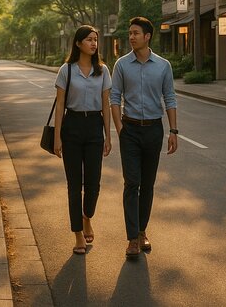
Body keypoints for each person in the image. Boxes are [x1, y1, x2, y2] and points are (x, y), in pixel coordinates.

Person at [109, 16, 178, 259]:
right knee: (132, 183)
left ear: (147, 36)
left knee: (147, 184)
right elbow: (114, 97)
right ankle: (131, 239)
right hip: (129, 130)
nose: (131, 37)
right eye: (130, 33)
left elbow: (169, 98)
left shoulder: (163, 66)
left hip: (153, 130)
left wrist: (173, 131)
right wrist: (119, 129)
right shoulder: (121, 65)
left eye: (136, 33)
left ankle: (142, 231)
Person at [53, 25, 112, 255]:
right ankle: (77, 233)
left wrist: (108, 135)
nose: (93, 43)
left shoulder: (103, 71)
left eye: (95, 40)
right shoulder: (66, 70)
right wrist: (57, 137)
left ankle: (87, 216)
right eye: (89, 39)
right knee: (74, 185)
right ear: (78, 43)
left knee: (94, 184)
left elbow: (106, 105)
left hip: (94, 127)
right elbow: (60, 106)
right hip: (72, 127)